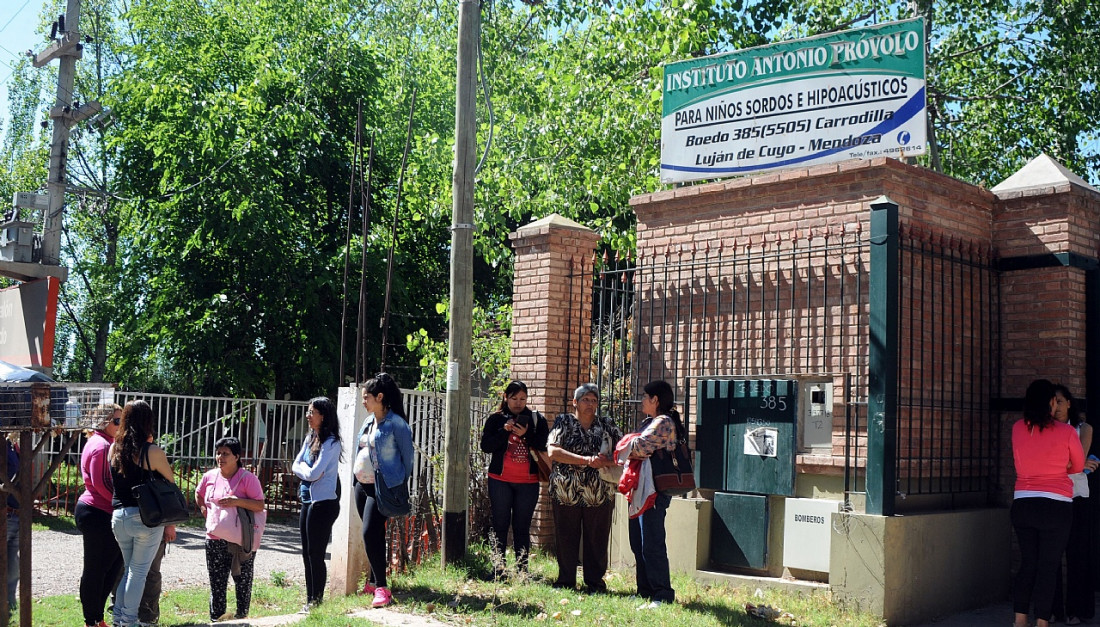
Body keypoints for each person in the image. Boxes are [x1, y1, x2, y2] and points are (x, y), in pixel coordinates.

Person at [1011, 379, 1084, 627]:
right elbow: (1079, 466)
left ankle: (1019, 620)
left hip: (1023, 503)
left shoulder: (1018, 428)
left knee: (1028, 564)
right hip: (1056, 506)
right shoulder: (1067, 431)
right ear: (1051, 402)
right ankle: (1042, 622)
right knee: (1048, 566)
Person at [546, 383, 621, 592]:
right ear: (575, 402)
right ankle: (565, 580)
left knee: (597, 538)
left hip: (599, 492)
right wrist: (586, 460)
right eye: (585, 399)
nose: (590, 404)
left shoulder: (607, 425)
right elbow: (553, 451)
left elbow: (623, 451)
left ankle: (595, 582)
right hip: (566, 490)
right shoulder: (564, 422)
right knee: (566, 536)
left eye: (594, 400)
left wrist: (606, 461)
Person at [109, 400, 177, 627]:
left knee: (129, 570)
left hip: (119, 516)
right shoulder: (152, 451)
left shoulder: (113, 448)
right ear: (148, 421)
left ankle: (119, 618)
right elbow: (170, 479)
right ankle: (128, 621)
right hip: (145, 518)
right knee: (138, 573)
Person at [352, 373, 413, 609]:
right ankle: (373, 581)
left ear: (380, 397)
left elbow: (408, 459)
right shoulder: (369, 421)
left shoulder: (397, 424)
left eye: (366, 397)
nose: (363, 401)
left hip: (382, 488)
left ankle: (382, 589)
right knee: (374, 535)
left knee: (369, 533)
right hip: (362, 485)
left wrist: (398, 484)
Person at [479, 381, 549, 578]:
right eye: (514, 398)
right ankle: (498, 569)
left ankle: (522, 570)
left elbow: (544, 445)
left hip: (528, 481)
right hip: (500, 479)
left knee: (522, 526)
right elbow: (486, 446)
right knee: (500, 524)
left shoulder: (536, 420)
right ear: (505, 398)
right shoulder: (496, 419)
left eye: (522, 399)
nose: (518, 403)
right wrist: (504, 431)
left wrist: (526, 435)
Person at [196, 436, 266, 622]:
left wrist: (238, 502)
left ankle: (242, 618)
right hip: (214, 538)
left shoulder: (247, 479)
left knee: (242, 581)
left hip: (241, 540)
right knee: (217, 583)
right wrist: (206, 513)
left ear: (236, 456)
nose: (220, 457)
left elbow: (259, 505)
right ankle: (217, 619)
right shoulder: (209, 476)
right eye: (218, 453)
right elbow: (199, 495)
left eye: (225, 453)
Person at [626, 380, 682, 609]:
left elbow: (639, 447)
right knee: (638, 542)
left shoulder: (663, 422)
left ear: (655, 400)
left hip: (655, 491)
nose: (642, 401)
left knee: (652, 542)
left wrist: (626, 442)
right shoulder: (650, 421)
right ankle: (645, 590)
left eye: (645, 397)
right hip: (641, 489)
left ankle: (663, 593)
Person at [1050, 385, 1098, 625]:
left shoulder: (1084, 428)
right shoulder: (1044, 430)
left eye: (1060, 401)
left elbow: (1075, 462)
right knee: (1051, 555)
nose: (1056, 407)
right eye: (1052, 402)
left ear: (1069, 402)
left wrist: (1067, 465)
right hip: (1052, 497)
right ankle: (1052, 609)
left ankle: (1077, 610)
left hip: (1078, 497)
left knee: (1078, 554)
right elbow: (1070, 464)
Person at [75, 404, 124, 627]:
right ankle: (91, 619)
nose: (120, 425)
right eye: (116, 421)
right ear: (103, 421)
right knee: (96, 569)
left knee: (111, 568)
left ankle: (97, 618)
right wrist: (121, 504)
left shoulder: (106, 442)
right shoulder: (101, 445)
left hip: (103, 511)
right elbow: (101, 483)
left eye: (121, 421)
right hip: (97, 512)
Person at [292, 396, 342, 612]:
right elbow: (295, 464)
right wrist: (303, 469)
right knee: (306, 553)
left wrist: (303, 469)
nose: (308, 416)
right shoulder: (310, 437)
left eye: (312, 412)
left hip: (323, 503)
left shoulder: (331, 441)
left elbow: (313, 473)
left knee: (316, 553)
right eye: (308, 411)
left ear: (324, 415)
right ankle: (309, 598)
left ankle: (317, 600)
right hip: (307, 501)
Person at [5, 437, 17, 613]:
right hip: (6, 513)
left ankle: (9, 603)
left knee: (13, 564)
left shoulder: (11, 443)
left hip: (16, 512)